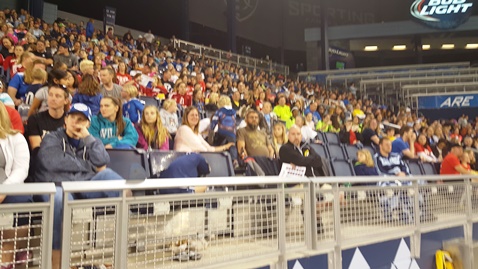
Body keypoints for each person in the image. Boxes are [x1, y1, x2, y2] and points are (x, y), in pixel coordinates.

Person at [32, 103, 126, 269]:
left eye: (81, 120)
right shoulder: (51, 138)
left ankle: (117, 249)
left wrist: (88, 139)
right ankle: (58, 262)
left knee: (109, 176)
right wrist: (88, 167)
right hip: (55, 186)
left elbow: (103, 162)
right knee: (61, 198)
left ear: (88, 124)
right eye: (73, 118)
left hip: (82, 186)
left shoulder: (91, 140)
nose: (76, 122)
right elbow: (53, 163)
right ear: (66, 120)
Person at [0, 102, 31, 268]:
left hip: (8, 188)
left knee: (23, 199)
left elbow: (21, 169)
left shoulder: (16, 138)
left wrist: (4, 190)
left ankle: (8, 258)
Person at [25, 84, 69, 150]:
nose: (53, 99)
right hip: (44, 157)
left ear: (66, 101)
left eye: (58, 96)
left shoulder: (70, 121)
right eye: (50, 95)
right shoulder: (35, 119)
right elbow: (36, 149)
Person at [209, 95, 237, 162]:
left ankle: (215, 157)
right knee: (232, 145)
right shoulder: (234, 112)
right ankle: (234, 160)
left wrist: (211, 130)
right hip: (232, 133)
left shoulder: (220, 111)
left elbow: (214, 121)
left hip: (222, 132)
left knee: (216, 143)